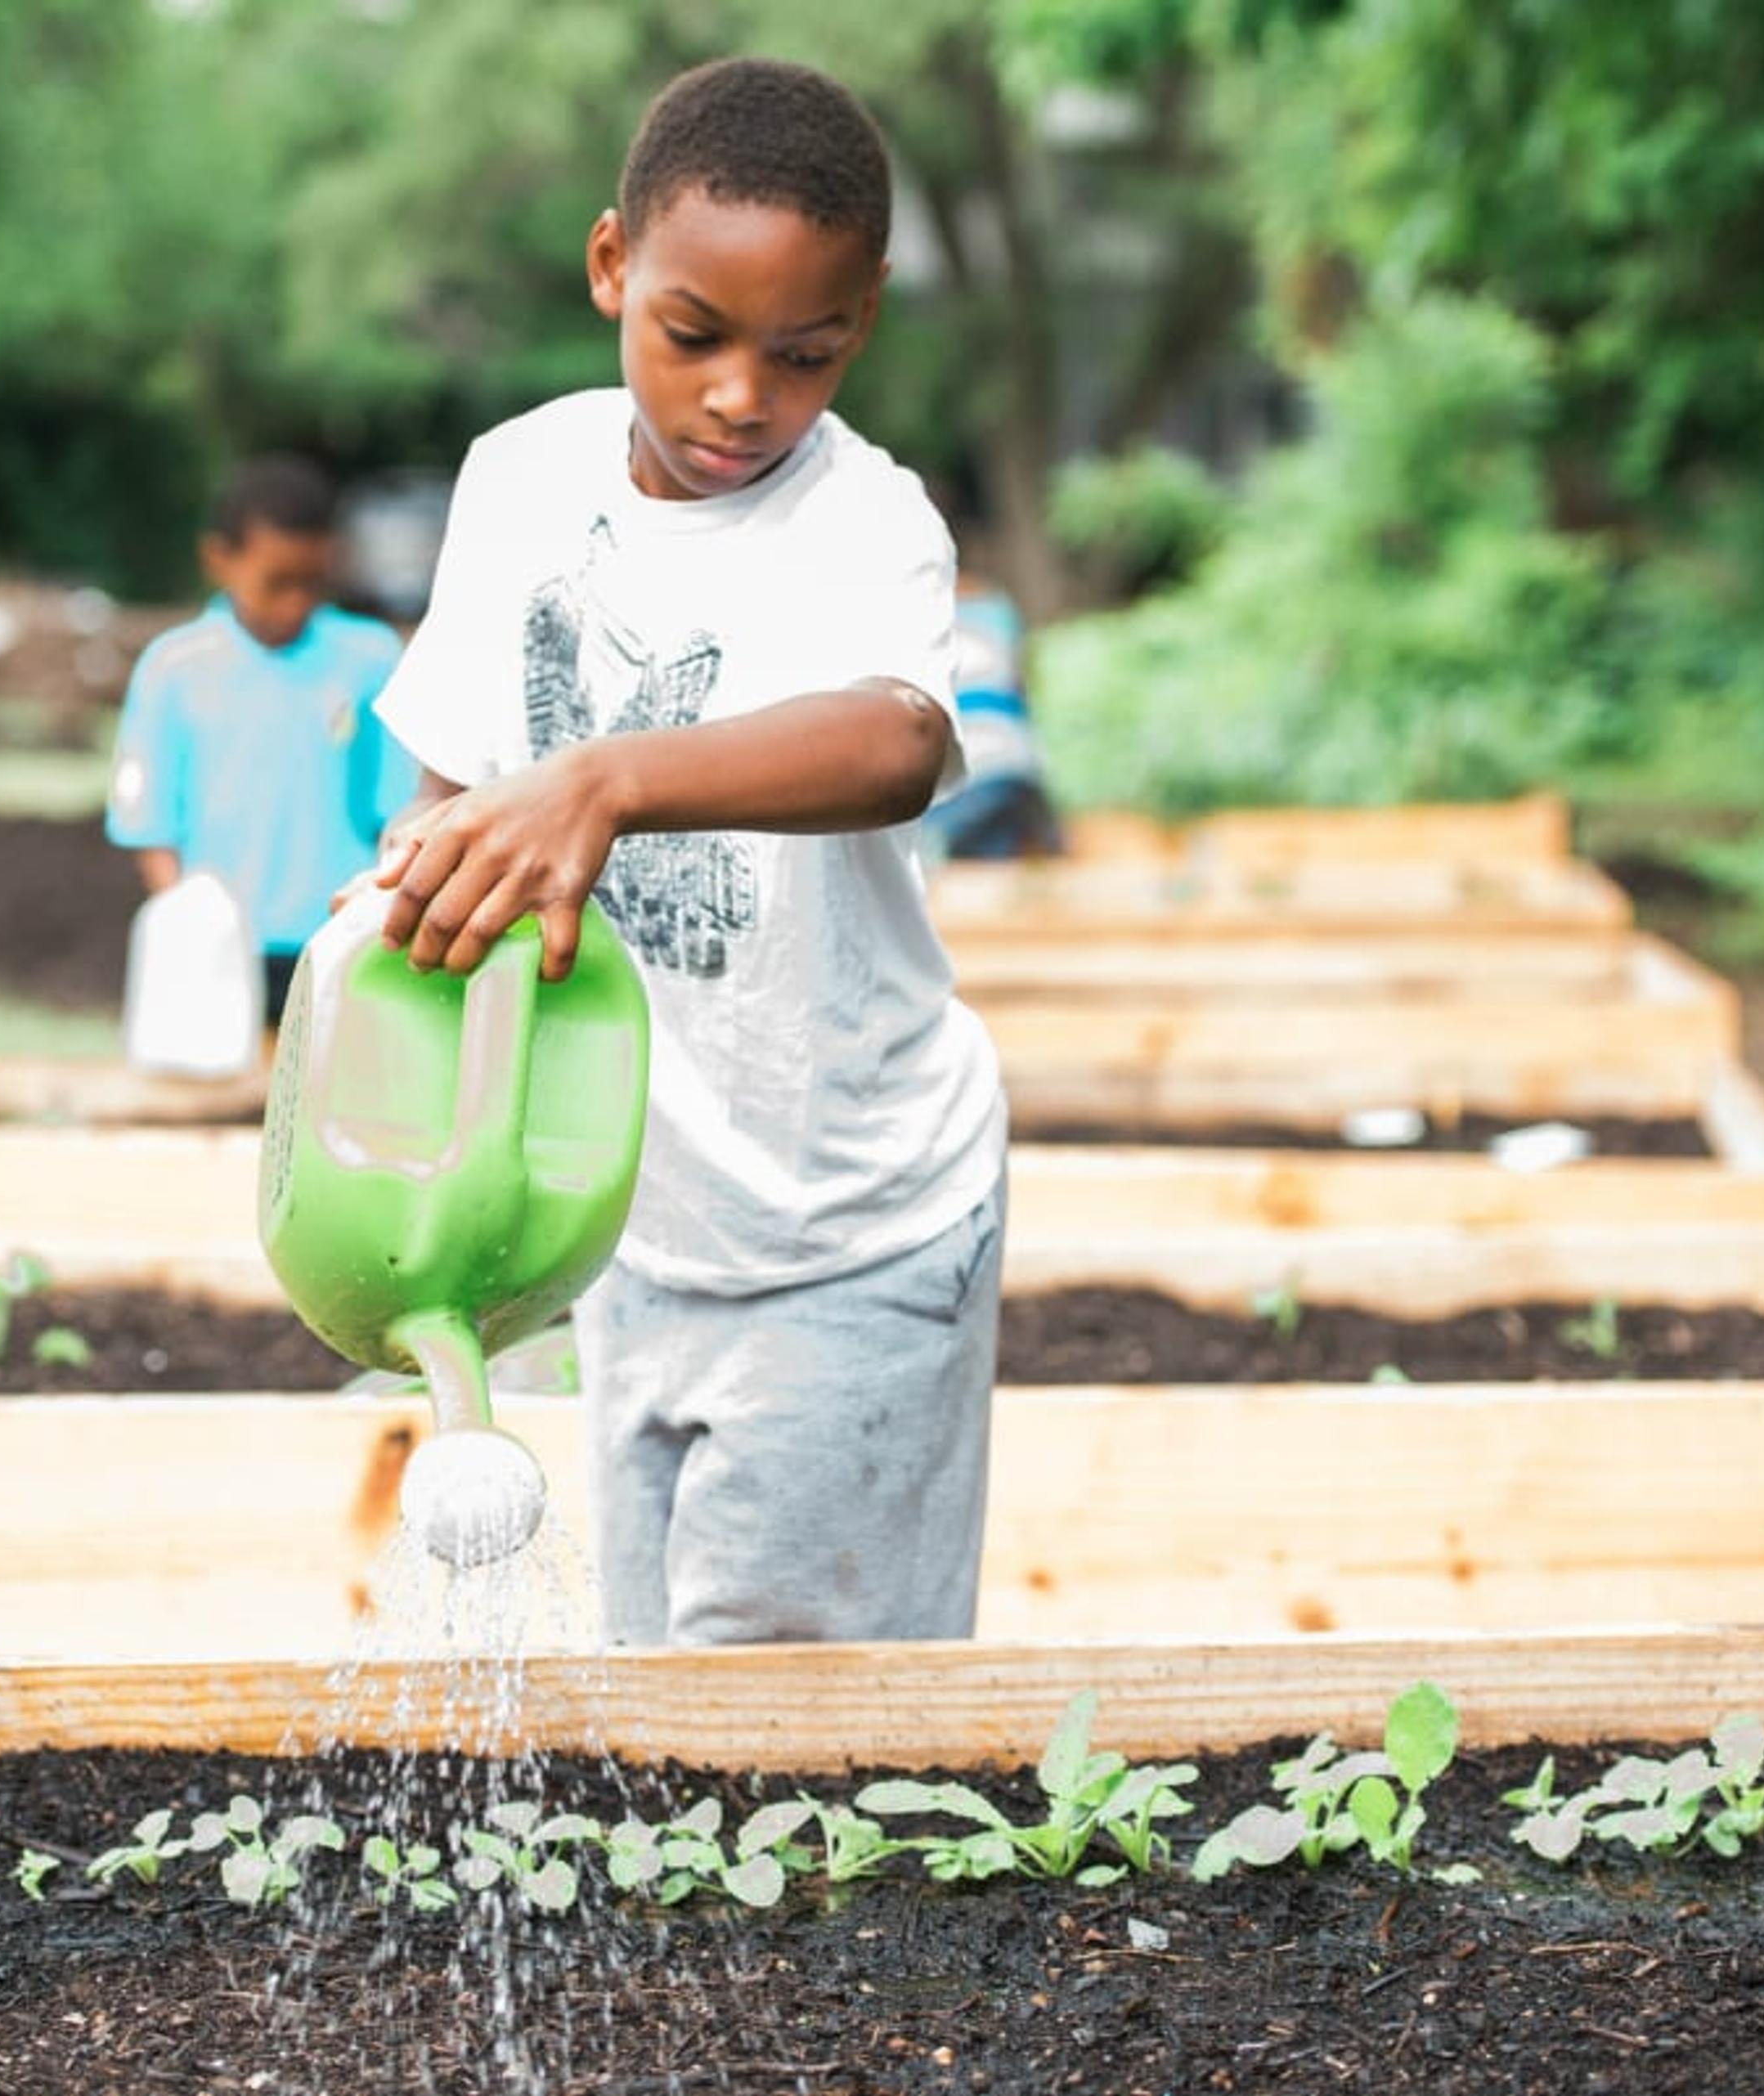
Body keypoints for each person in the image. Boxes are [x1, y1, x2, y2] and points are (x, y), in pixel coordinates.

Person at [366, 56, 1008, 1649]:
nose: (744, 396)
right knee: (660, 1715)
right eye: (695, 336)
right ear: (611, 268)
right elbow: (444, 801)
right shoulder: (519, 482)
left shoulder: (867, 525)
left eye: (805, 352)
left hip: (847, 1225)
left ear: (858, 325)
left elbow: (896, 743)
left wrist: (607, 783)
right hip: (636, 1219)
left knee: (781, 1727)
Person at [105, 455, 413, 1020]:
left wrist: (374, 924)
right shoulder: (173, 667)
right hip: (219, 945)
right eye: (277, 583)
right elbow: (151, 824)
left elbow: (400, 808)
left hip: (339, 939)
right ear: (219, 559)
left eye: (311, 583)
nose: (295, 602)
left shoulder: (370, 660)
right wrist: (190, 928)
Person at [923, 554, 1066, 859]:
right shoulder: (995, 606)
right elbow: (1021, 685)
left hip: (962, 780)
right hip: (1013, 767)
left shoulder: (918, 610)